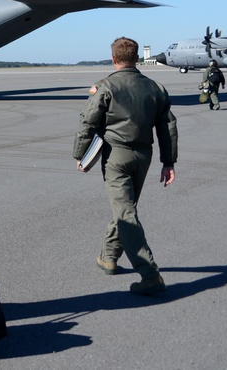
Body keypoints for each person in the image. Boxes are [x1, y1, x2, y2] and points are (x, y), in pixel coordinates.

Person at [73, 37, 178, 295]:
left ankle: (150, 274)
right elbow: (167, 127)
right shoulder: (155, 88)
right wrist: (168, 161)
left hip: (116, 157)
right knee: (125, 209)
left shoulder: (105, 87)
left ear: (113, 58)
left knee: (125, 213)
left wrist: (80, 154)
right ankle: (108, 256)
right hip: (144, 156)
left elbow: (88, 123)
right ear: (136, 58)